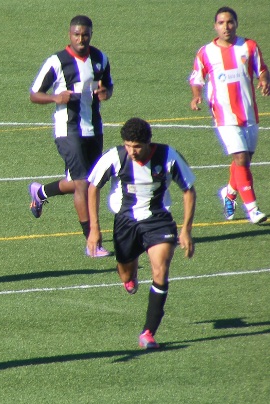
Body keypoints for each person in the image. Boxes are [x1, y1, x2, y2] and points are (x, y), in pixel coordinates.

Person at [87, 118, 196, 349]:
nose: (132, 151)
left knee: (160, 269)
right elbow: (93, 186)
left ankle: (148, 332)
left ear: (148, 143)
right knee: (125, 274)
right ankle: (131, 274)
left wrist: (186, 230)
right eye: (128, 146)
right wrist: (94, 229)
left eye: (136, 147)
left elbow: (188, 190)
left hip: (158, 221)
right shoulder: (116, 157)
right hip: (125, 222)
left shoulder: (168, 156)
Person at [28, 15, 114, 257]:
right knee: (83, 184)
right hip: (68, 130)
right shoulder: (57, 61)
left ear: (91, 35)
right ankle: (92, 242)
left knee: (88, 181)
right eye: (76, 34)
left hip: (94, 129)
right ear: (70, 35)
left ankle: (40, 192)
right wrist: (55, 98)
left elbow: (107, 86)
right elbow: (34, 94)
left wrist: (105, 93)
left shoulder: (100, 59)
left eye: (85, 35)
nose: (81, 39)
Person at [190, 6, 269, 224]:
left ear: (236, 24)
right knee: (241, 158)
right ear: (215, 26)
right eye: (221, 23)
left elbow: (262, 69)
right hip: (224, 115)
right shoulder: (206, 52)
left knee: (244, 160)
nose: (226, 27)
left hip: (249, 113)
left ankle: (229, 192)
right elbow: (197, 78)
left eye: (230, 22)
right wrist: (196, 96)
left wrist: (264, 80)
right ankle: (252, 209)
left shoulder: (249, 46)